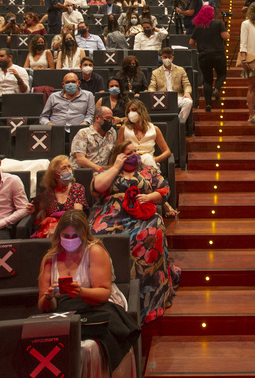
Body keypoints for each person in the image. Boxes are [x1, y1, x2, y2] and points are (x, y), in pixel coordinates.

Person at [36, 211, 140, 377]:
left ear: (83, 234)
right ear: (59, 235)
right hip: (65, 311)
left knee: (87, 347)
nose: (70, 240)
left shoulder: (95, 252)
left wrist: (80, 292)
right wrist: (49, 297)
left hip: (99, 307)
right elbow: (43, 305)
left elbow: (104, 294)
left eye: (74, 236)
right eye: (66, 235)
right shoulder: (49, 259)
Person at [90, 142, 178, 323]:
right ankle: (108, 294)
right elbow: (97, 188)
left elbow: (164, 190)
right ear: (119, 154)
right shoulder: (107, 170)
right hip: (112, 214)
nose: (134, 155)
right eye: (128, 153)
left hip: (142, 214)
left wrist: (149, 197)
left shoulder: (147, 170)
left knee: (153, 233)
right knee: (97, 234)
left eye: (135, 152)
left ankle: (149, 298)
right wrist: (116, 166)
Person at [30, 156, 88, 238]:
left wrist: (58, 229)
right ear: (56, 175)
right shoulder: (48, 193)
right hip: (50, 231)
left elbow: (77, 215)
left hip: (72, 227)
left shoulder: (78, 188)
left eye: (69, 167)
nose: (68, 170)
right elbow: (39, 220)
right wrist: (34, 211)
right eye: (64, 168)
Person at [147, 47, 194, 123]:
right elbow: (152, 86)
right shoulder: (155, 72)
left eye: (169, 57)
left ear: (173, 58)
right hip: (161, 98)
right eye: (165, 57)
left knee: (188, 102)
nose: (167, 59)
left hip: (177, 97)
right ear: (161, 58)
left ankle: (178, 123)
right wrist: (153, 93)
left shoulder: (180, 70)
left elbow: (187, 84)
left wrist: (187, 92)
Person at [70, 106, 118, 171]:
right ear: (97, 118)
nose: (109, 121)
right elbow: (80, 160)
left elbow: (112, 155)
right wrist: (100, 169)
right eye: (107, 118)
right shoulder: (83, 133)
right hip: (84, 172)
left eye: (111, 119)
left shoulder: (112, 132)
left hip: (103, 172)